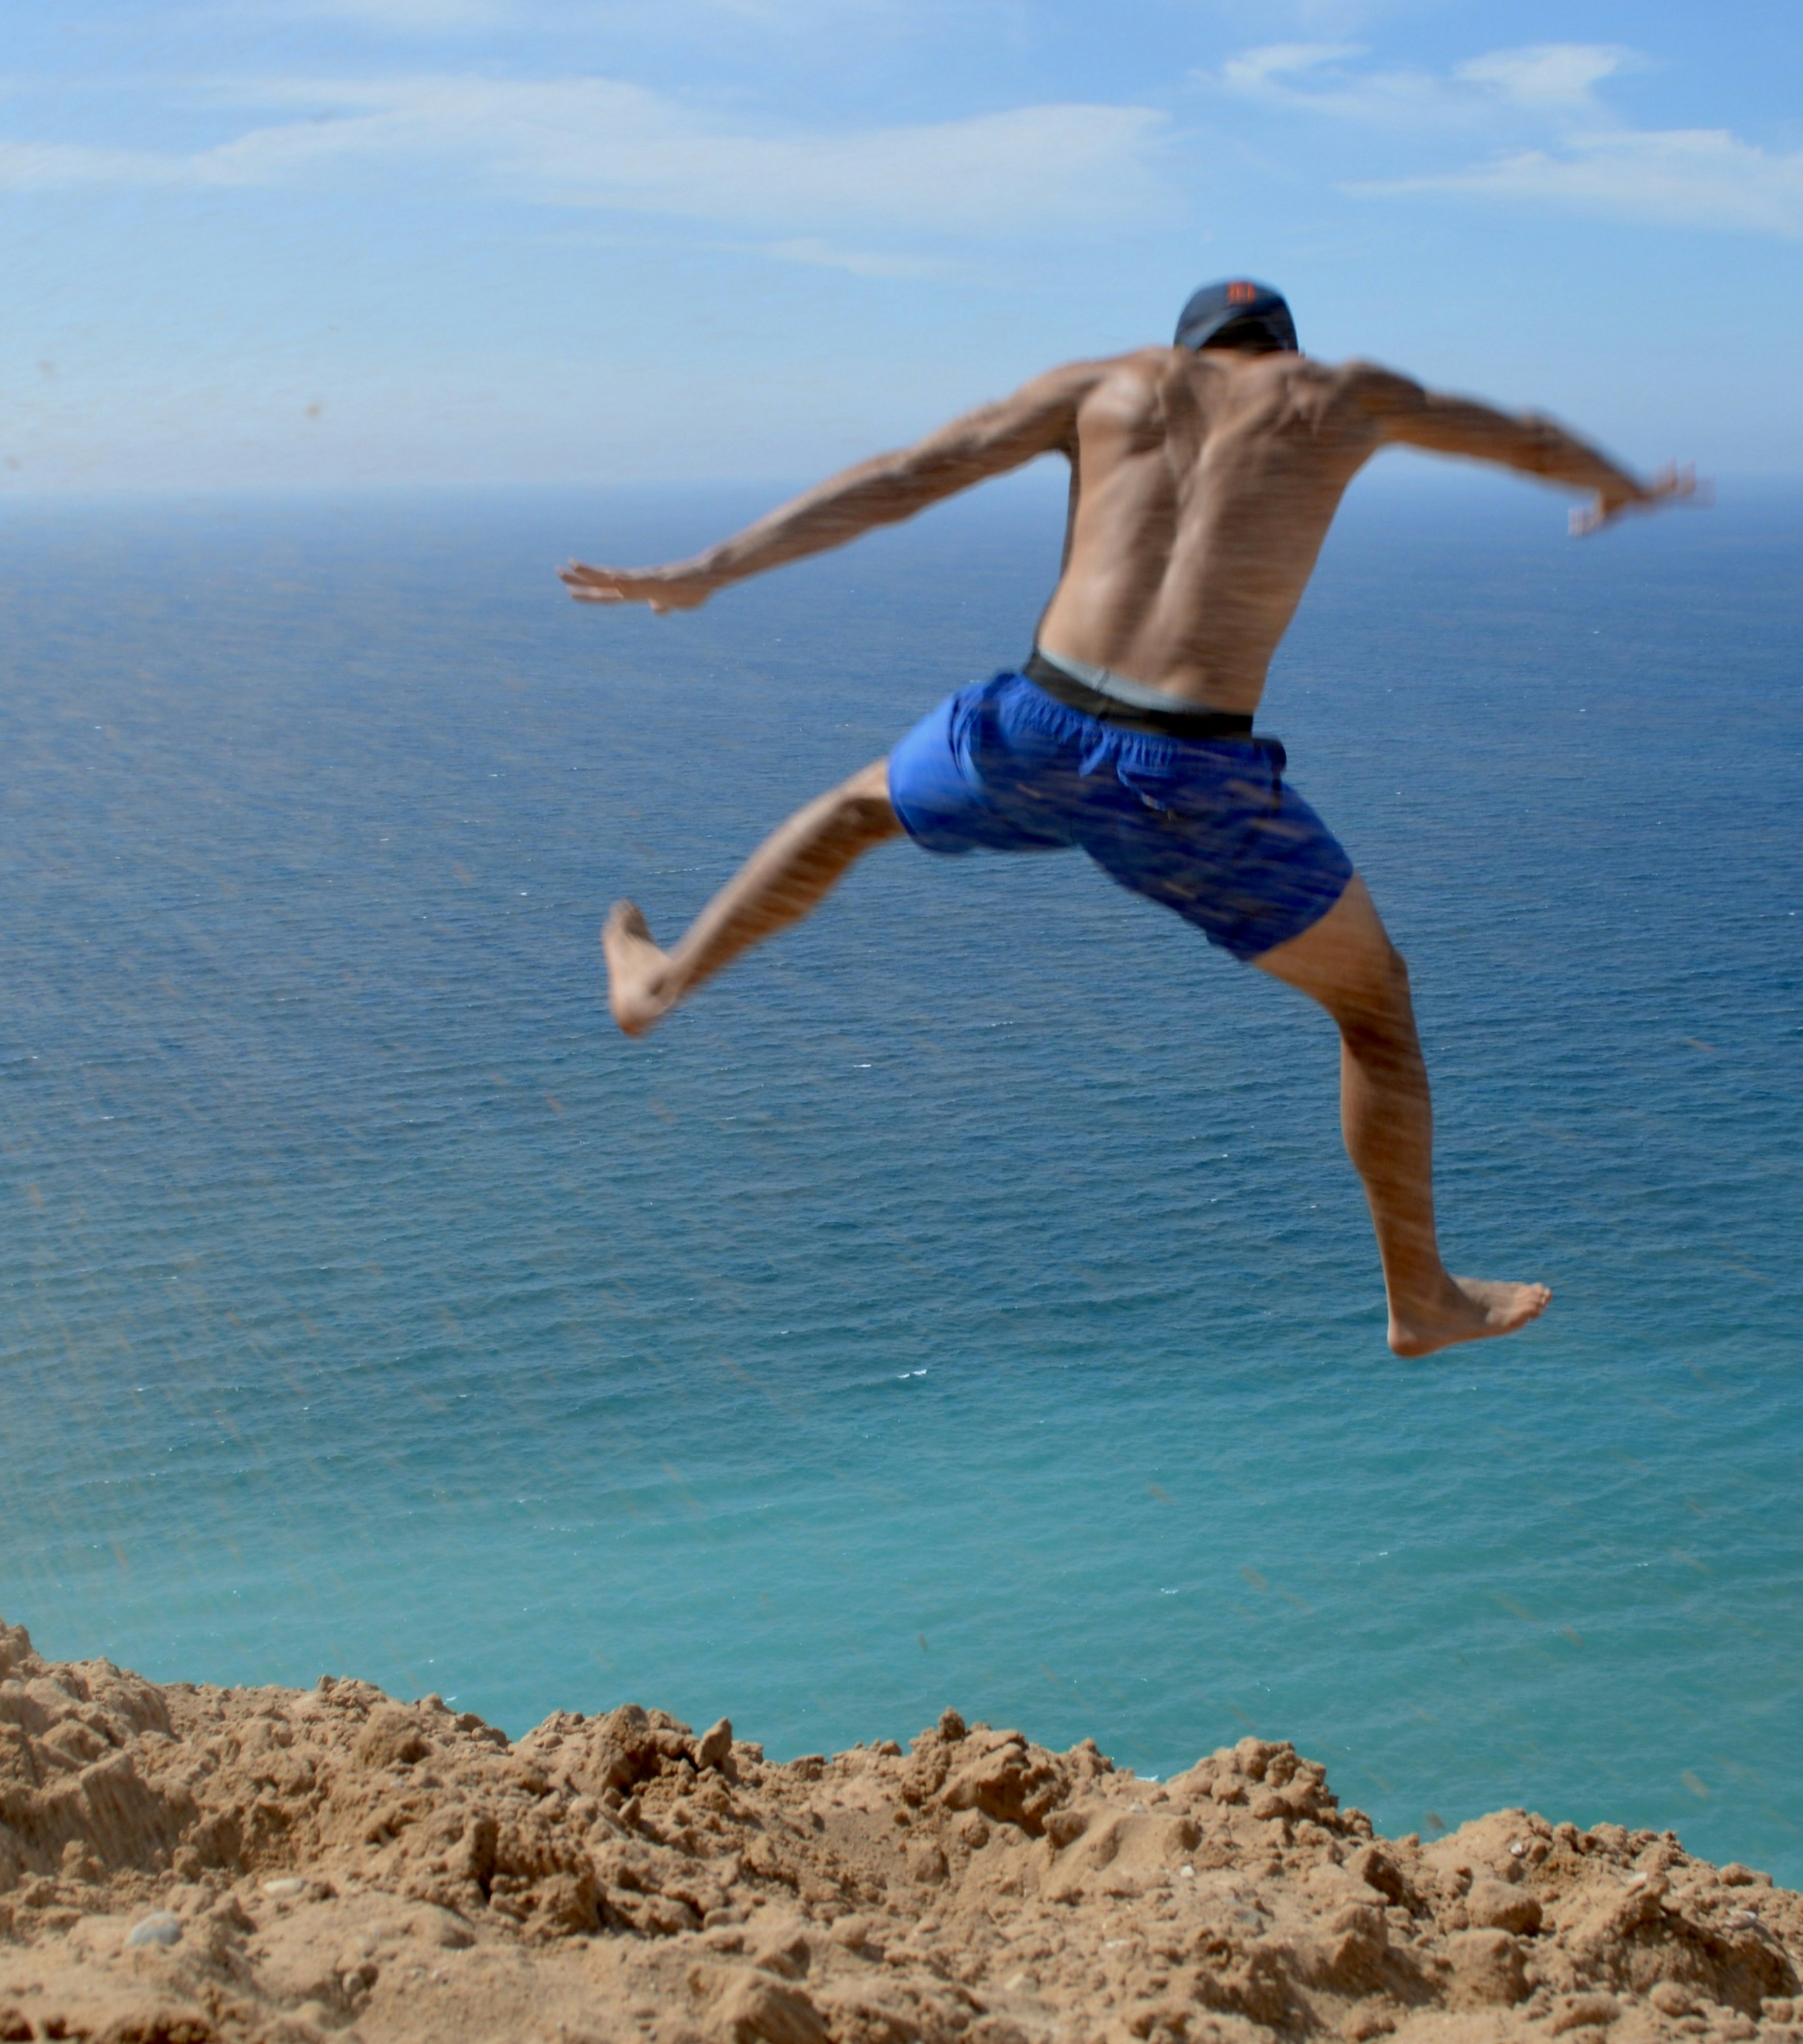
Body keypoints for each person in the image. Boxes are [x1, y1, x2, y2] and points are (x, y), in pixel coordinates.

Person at [559, 280, 1698, 1356]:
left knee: (852, 814)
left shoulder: (1109, 384)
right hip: (1189, 775)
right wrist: (1624, 487)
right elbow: (1529, 435)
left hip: (1035, 729)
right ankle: (1421, 1299)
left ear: (1185, 348)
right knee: (1375, 1011)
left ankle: (663, 983)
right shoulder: (1343, 395)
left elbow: (909, 473)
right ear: (1285, 353)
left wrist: (706, 569)